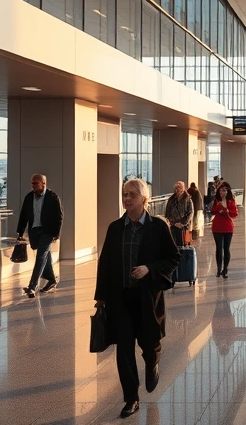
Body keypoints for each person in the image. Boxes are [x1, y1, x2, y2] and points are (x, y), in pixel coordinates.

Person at [94, 178, 180, 418]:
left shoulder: (158, 227)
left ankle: (153, 360)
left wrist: (149, 269)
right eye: (124, 194)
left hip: (146, 298)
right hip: (120, 298)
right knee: (124, 350)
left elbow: (174, 258)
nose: (127, 199)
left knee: (149, 342)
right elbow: (105, 264)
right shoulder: (115, 228)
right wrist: (101, 298)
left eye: (132, 195)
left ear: (144, 199)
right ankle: (131, 398)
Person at [15, 174, 63, 298]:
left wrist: (55, 234)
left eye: (35, 183)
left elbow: (59, 216)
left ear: (43, 183)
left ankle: (32, 286)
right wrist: (20, 233)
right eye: (32, 183)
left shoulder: (52, 197)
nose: (33, 186)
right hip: (34, 232)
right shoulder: (29, 197)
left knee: (40, 257)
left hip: (47, 232)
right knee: (44, 255)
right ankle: (52, 280)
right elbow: (24, 215)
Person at [209, 182, 239, 278]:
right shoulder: (216, 201)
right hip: (217, 226)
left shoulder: (231, 201)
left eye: (225, 190)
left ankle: (225, 269)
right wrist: (218, 209)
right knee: (219, 248)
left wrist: (227, 211)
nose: (224, 192)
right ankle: (219, 269)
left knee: (226, 249)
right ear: (219, 191)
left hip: (228, 227)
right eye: (222, 190)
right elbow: (212, 211)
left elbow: (235, 213)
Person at [163, 181, 193, 246]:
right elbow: (167, 212)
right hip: (173, 225)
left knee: (186, 244)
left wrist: (183, 223)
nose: (178, 190)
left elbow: (190, 212)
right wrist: (170, 221)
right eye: (176, 188)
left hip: (185, 226)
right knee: (174, 244)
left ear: (183, 189)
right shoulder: (171, 199)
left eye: (179, 188)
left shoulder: (188, 199)